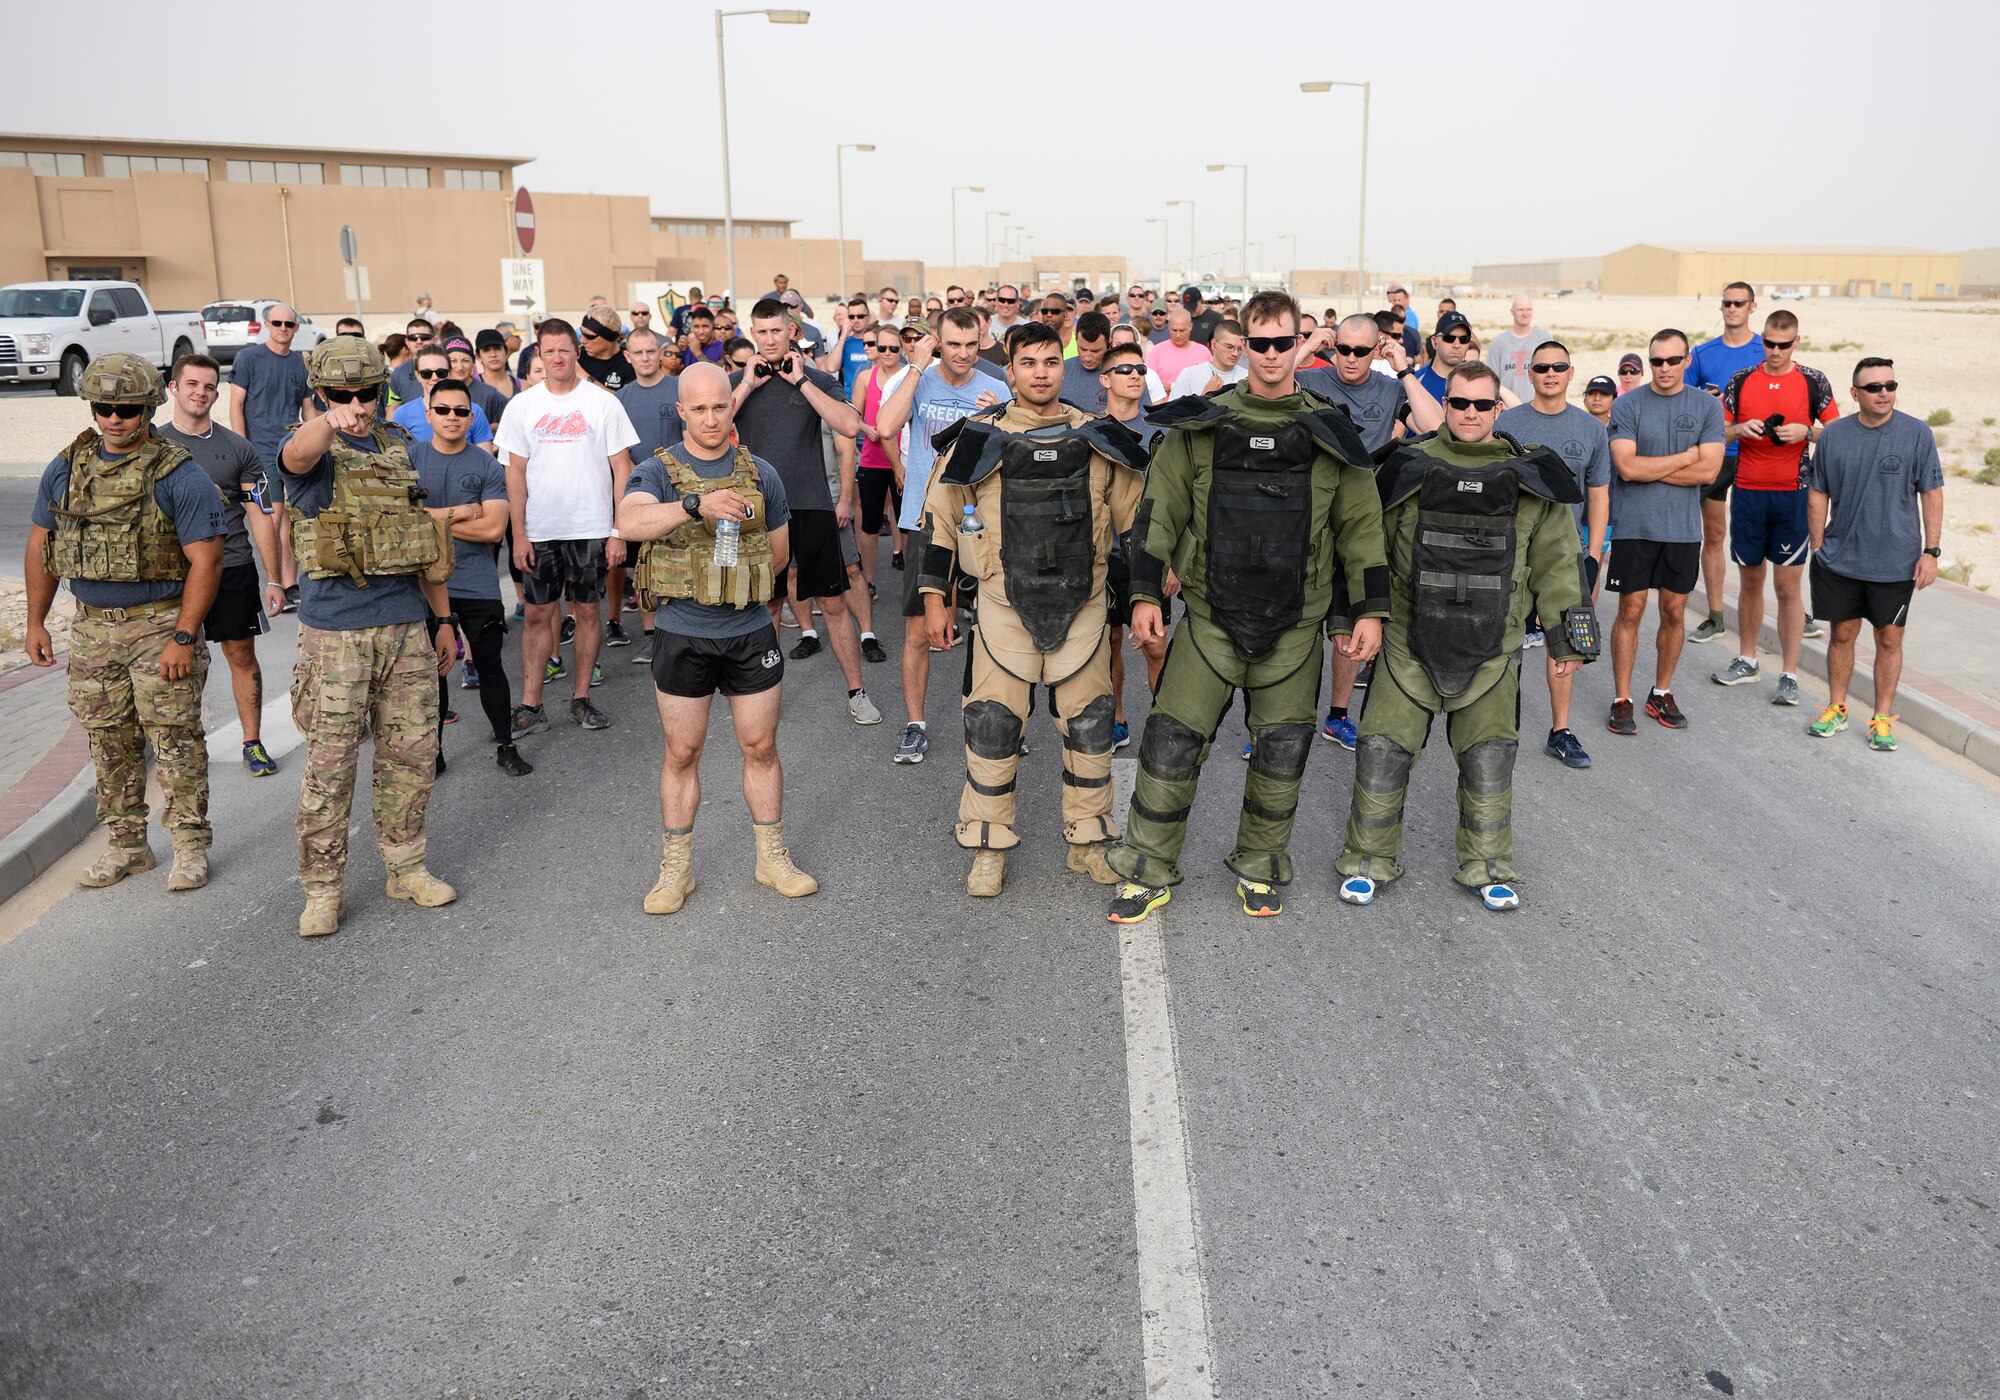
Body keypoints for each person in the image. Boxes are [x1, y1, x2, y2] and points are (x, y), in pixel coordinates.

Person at [1107, 290, 1388, 923]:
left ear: (1299, 345)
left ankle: (1260, 866)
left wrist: (1365, 612)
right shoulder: (1202, 423)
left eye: (1280, 343)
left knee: (1282, 750)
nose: (1268, 355)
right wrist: (1146, 595)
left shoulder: (1329, 429)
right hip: (1209, 618)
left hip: (1294, 624)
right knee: (1171, 743)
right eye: (1256, 343)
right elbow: (1159, 514)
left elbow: (1362, 528)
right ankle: (1147, 869)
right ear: (1241, 345)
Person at [1334, 360, 1597, 911]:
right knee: (1381, 752)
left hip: (1493, 650)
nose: (1470, 413)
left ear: (1498, 408)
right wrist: (1356, 618)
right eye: (1459, 403)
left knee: (1488, 759)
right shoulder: (1407, 466)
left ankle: (1488, 866)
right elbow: (1366, 547)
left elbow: (1557, 564)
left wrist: (1566, 642)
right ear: (1444, 404)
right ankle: (1367, 860)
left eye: (1482, 404)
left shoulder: (1530, 477)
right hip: (1407, 642)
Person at [916, 321, 1146, 895]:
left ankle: (1089, 843)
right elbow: (941, 523)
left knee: (1092, 726)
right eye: (1028, 362)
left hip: (1085, 606)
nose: (1041, 372)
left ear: (1061, 369)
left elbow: (1137, 525)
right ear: (1010, 369)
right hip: (999, 608)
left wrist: (1146, 595)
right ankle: (988, 845)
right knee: (992, 726)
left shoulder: (1099, 437)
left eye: (1050, 362)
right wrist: (933, 601)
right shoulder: (975, 437)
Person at [619, 361, 817, 911]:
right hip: (683, 632)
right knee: (682, 752)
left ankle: (771, 857)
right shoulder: (656, 471)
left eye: (720, 406)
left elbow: (778, 556)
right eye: (698, 408)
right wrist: (694, 505)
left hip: (750, 631)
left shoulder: (762, 473)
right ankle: (676, 869)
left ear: (733, 407)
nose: (710, 418)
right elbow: (629, 524)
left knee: (761, 746)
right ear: (681, 411)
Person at [23, 354, 225, 891]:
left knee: (176, 739)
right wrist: (36, 621)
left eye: (127, 409)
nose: (114, 418)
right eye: (104, 407)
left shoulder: (179, 474)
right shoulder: (66, 468)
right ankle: (127, 845)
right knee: (108, 741)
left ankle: (188, 846)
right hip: (91, 629)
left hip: (159, 625)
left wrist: (184, 635)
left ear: (148, 409)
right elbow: (42, 544)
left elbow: (206, 559)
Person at [277, 336, 458, 937]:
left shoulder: (399, 448)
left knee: (410, 758)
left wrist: (444, 621)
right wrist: (326, 421)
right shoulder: (315, 449)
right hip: (336, 637)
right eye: (341, 395)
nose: (357, 405)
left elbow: (425, 544)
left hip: (405, 625)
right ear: (321, 394)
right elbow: (295, 459)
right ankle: (322, 890)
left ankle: (406, 866)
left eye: (367, 393)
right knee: (330, 769)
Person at [1297, 313, 1446, 750]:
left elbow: (1435, 426)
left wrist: (1403, 368)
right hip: (1314, 520)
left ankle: (1338, 715)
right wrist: (1307, 349)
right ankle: (1278, 722)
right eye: (1343, 349)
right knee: (1298, 626)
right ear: (1334, 345)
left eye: (1362, 351)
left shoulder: (1390, 387)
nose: (1351, 359)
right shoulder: (1313, 382)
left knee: (1350, 628)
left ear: (1377, 347)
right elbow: (1261, 385)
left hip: (1367, 525)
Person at [729, 297, 881, 726]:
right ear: (753, 334)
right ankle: (765, 698)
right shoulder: (740, 381)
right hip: (760, 511)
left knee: (833, 605)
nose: (770, 339)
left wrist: (800, 383)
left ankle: (857, 692)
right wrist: (745, 386)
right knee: (769, 608)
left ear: (792, 331)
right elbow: (711, 429)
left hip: (812, 504)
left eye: (777, 330)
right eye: (762, 332)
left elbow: (851, 426)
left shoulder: (813, 376)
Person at [875, 307, 1009, 762]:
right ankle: (916, 724)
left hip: (980, 523)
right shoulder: (917, 380)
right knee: (918, 630)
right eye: (953, 344)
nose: (964, 354)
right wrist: (916, 364)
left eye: (972, 345)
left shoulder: (997, 389)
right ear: (937, 340)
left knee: (994, 628)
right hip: (925, 519)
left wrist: (993, 418)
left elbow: (1010, 463)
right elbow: (887, 428)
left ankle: (1004, 717)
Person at [496, 319, 639, 737]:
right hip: (540, 532)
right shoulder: (522, 406)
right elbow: (515, 475)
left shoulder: (602, 403)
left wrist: (617, 530)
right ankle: (531, 704)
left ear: (578, 352)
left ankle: (581, 698)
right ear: (537, 355)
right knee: (539, 614)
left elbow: (622, 469)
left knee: (588, 610)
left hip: (591, 528)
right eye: (549, 351)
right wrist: (519, 534)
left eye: (565, 349)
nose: (557, 357)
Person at [156, 353, 287, 776]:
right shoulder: (152, 445)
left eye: (209, 386)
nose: (201, 392)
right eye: (192, 384)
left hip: (232, 568)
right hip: (172, 574)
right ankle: (182, 749)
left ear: (218, 392)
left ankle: (253, 743)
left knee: (241, 656)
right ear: (173, 388)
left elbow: (260, 516)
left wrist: (276, 579)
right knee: (175, 662)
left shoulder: (238, 448)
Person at [1804, 360, 1944, 752]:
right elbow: (1818, 491)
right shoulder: (1834, 437)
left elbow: (1932, 493)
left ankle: (1881, 718)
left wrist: (1930, 552)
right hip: (1840, 559)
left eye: (1890, 384)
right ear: (1855, 394)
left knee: (1888, 639)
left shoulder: (1917, 434)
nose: (1884, 392)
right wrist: (1819, 546)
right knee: (1842, 634)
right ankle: (1836, 707)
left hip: (1896, 562)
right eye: (1873, 387)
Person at [1710, 309, 1840, 705]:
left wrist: (1807, 432)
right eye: (1769, 343)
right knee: (1750, 581)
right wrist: (1739, 429)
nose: (1776, 351)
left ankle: (1788, 674)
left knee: (1787, 588)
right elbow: (1718, 430)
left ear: (1796, 342)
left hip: (1793, 493)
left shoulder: (1813, 380)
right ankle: (1747, 659)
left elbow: (1839, 434)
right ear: (1761, 340)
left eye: (1784, 344)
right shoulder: (1742, 379)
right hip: (1748, 491)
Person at [1497, 341, 1613, 767]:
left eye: (1558, 366)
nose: (1550, 373)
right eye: (1542, 367)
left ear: (1570, 372)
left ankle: (1560, 732)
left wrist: (1594, 555)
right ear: (1529, 374)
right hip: (1512, 552)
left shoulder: (1591, 429)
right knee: (1504, 637)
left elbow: (1598, 496)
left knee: (1563, 644)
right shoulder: (1508, 423)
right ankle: (1496, 725)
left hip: (1566, 556)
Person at [1604, 329, 1725, 736]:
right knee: (1631, 612)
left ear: (1687, 361)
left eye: (1673, 360)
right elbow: (1627, 468)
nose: (1665, 368)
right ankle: (1623, 699)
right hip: (1634, 528)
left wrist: (1654, 466)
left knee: (1674, 612)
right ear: (1650, 362)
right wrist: (1686, 457)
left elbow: (1709, 471)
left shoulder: (1706, 408)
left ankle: (1662, 692)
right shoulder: (1629, 405)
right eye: (1657, 361)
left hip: (1682, 530)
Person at [411, 377, 530, 777]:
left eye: (461, 411)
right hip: (424, 586)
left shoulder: (486, 464)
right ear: (428, 414)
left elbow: (495, 530)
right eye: (442, 409)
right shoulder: (409, 459)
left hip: (476, 583)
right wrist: (467, 511)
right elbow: (398, 524)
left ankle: (505, 744)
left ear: (472, 416)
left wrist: (428, 520)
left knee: (491, 665)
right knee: (435, 672)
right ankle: (435, 752)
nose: (452, 417)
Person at [1685, 282, 1770, 644]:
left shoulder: (1767, 349)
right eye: (1727, 303)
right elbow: (1685, 398)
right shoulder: (1704, 353)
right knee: (1715, 534)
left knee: (1763, 536)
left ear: (1753, 306)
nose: (1732, 308)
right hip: (1717, 455)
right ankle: (1716, 615)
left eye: (1739, 303)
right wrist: (1704, 399)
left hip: (1759, 455)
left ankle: (1793, 610)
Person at [1096, 339, 1169, 739]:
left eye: (1140, 370)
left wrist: (1172, 560)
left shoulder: (1161, 431)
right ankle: (1117, 718)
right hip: (1102, 556)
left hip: (1150, 555)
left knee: (1156, 646)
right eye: (1125, 370)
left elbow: (1177, 500)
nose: (1135, 376)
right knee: (1109, 644)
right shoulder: (1089, 432)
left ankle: (1162, 727)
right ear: (1105, 379)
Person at [229, 301, 313, 610]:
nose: (282, 329)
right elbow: (236, 404)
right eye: (276, 323)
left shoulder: (300, 364)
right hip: (259, 450)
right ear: (267, 325)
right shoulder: (249, 358)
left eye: (288, 324)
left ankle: (291, 585)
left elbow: (308, 410)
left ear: (296, 328)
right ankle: (274, 581)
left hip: (291, 451)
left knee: (290, 518)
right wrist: (241, 448)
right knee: (273, 516)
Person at [618, 327, 684, 664]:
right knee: (643, 568)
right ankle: (651, 636)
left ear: (661, 352)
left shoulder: (678, 389)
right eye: (637, 353)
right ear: (627, 356)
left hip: (678, 493)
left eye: (650, 351)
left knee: (678, 565)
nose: (645, 358)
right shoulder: (620, 399)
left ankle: (682, 633)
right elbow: (617, 453)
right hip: (639, 495)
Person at [849, 325, 906, 613]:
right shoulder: (864, 377)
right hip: (872, 459)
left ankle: (912, 582)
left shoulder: (910, 376)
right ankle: (868, 581)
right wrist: (865, 428)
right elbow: (853, 415)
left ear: (902, 349)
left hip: (902, 461)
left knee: (907, 523)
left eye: (893, 348)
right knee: (869, 524)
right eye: (881, 347)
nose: (886, 353)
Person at [392, 346, 496, 448]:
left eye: (441, 372)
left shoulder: (473, 411)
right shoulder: (402, 414)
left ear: (450, 373)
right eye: (426, 373)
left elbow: (485, 459)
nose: (434, 378)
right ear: (418, 375)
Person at [1483, 295, 1545, 402]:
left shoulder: (1544, 339)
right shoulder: (1499, 342)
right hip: (1507, 408)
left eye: (1528, 309)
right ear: (1512, 312)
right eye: (1520, 310)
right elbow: (1491, 379)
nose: (1524, 313)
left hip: (1538, 406)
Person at [1061, 312, 1126, 412]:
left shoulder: (1127, 373)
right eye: (1082, 349)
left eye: (1095, 351)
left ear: (1109, 344)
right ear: (1076, 340)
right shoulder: (1060, 370)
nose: (1087, 357)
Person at [1169, 319, 1248, 398]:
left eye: (1240, 349)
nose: (1235, 353)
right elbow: (1173, 409)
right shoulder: (1189, 375)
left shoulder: (1247, 377)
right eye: (1229, 347)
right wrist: (1205, 395)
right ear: (1214, 345)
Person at [1145, 307, 1211, 389]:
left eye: (1182, 330)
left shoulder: (1203, 352)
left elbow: (1211, 381)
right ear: (1168, 326)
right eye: (1174, 330)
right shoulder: (1157, 351)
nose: (1178, 335)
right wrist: (1172, 387)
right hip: (1165, 401)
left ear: (1191, 326)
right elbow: (1147, 382)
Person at [578, 309, 634, 391]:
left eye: (590, 336)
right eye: (582, 333)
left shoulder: (628, 363)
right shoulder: (577, 355)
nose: (582, 340)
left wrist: (587, 378)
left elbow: (625, 400)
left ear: (609, 338)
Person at [389, 318, 435, 408]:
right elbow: (392, 409)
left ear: (435, 339)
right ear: (407, 342)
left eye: (424, 337)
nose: (419, 341)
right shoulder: (398, 374)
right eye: (413, 338)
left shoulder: (450, 368)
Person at [678, 304, 726, 371]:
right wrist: (679, 351)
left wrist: (698, 353)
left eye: (705, 326)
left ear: (713, 326)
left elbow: (719, 372)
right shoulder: (689, 346)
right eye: (696, 327)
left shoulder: (723, 348)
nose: (701, 332)